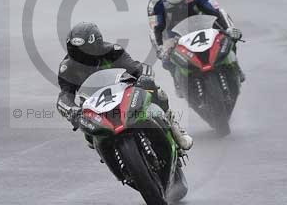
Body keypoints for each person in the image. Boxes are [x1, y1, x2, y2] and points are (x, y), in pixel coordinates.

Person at [56, 22, 193, 151]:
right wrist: (71, 110)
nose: (82, 55)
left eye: (86, 50)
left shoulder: (112, 51)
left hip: (123, 95)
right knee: (89, 137)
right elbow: (64, 96)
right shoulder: (67, 68)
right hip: (95, 109)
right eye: (76, 51)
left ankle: (174, 126)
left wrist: (143, 78)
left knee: (152, 87)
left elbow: (135, 68)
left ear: (97, 46)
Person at [147, 0, 244, 96]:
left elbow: (217, 12)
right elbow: (154, 29)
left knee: (229, 37)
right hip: (173, 33)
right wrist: (160, 48)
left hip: (202, 23)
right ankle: (178, 82)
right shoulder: (155, 2)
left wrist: (230, 29)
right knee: (166, 59)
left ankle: (235, 66)